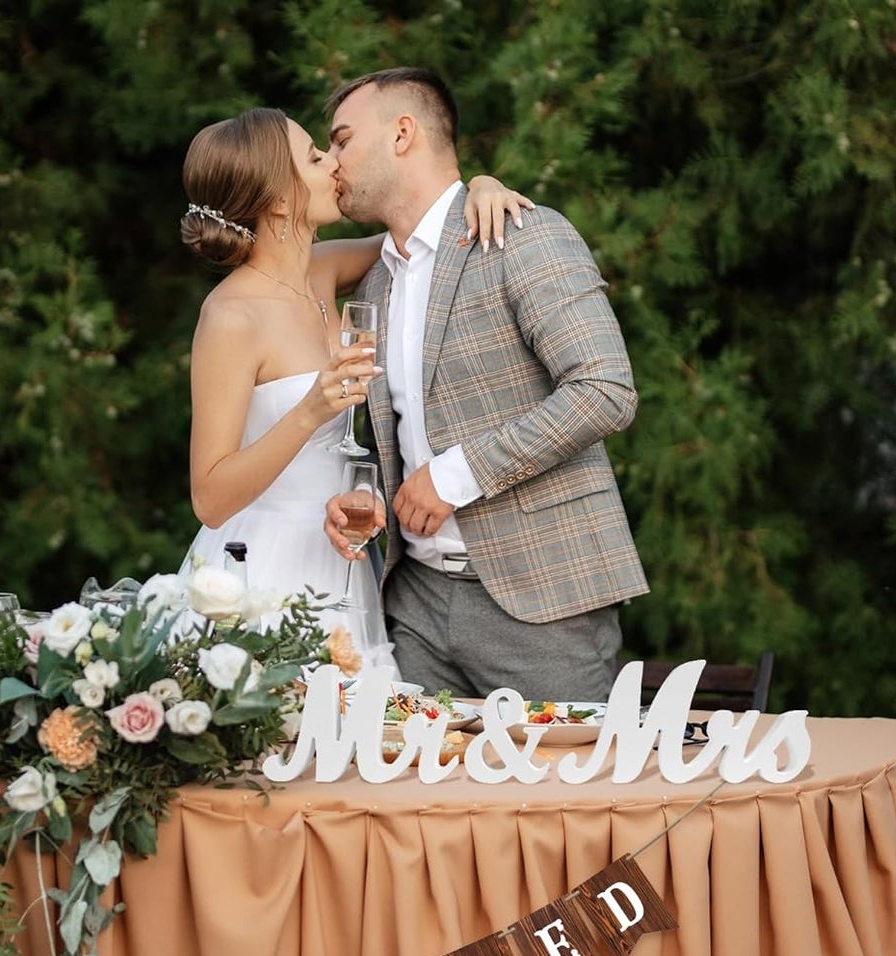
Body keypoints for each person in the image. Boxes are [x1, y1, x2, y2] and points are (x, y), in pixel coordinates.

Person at [323, 68, 647, 702]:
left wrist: (453, 477)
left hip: (543, 603)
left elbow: (605, 389)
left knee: (565, 771)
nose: (332, 160)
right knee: (415, 772)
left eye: (342, 140)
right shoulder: (376, 282)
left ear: (402, 134)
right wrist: (368, 495)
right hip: (413, 605)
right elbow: (406, 432)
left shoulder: (522, 234)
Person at [178, 107, 527, 668]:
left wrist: (481, 187)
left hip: (341, 549)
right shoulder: (230, 316)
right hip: (264, 565)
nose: (334, 163)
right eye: (315, 157)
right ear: (281, 200)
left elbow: (427, 230)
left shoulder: (323, 270)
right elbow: (210, 499)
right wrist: (309, 410)